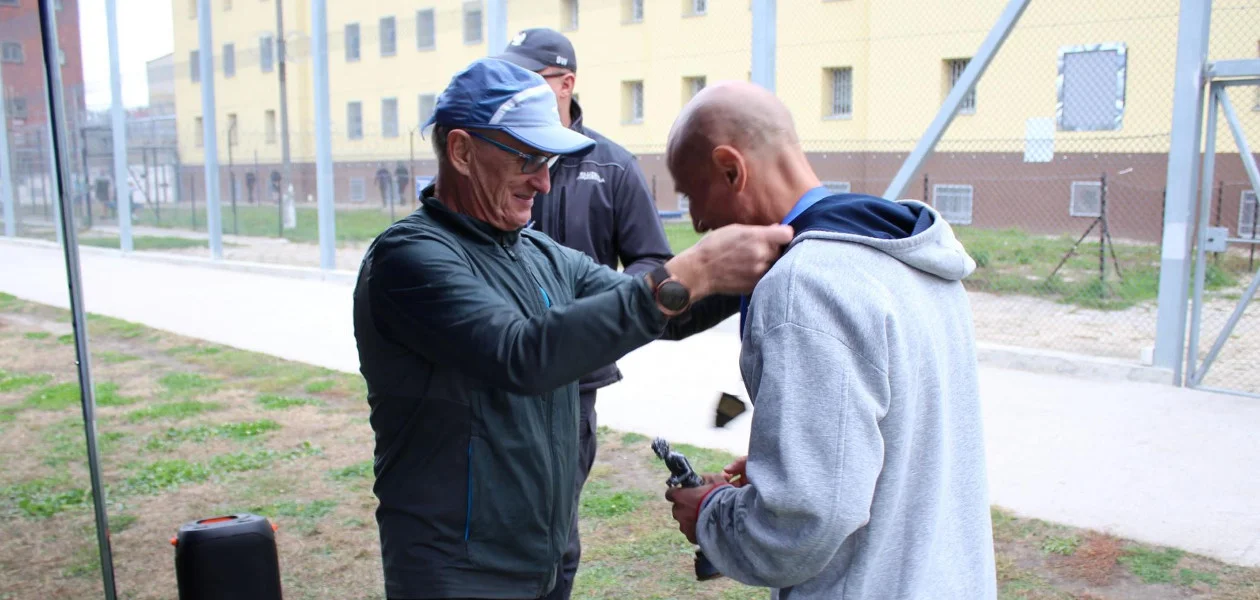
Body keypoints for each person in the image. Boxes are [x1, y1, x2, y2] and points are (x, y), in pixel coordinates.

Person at [352, 59, 790, 600]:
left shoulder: (539, 254)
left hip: (545, 559)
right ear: (462, 151)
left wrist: (771, 257)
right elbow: (521, 355)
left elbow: (661, 314)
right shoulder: (410, 259)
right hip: (459, 571)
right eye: (527, 157)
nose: (543, 179)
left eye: (550, 160)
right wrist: (693, 270)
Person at [662, 81, 997, 599]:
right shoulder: (910, 256)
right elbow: (903, 443)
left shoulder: (803, 285)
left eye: (691, 193)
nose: (697, 221)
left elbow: (803, 521)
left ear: (732, 169)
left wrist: (710, 515)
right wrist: (799, 456)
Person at [493, 27, 674, 598]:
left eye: (532, 78)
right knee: (500, 520)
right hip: (498, 366)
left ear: (565, 83)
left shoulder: (613, 167)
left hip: (573, 382)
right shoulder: (499, 153)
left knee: (554, 526)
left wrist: (604, 306)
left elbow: (651, 259)